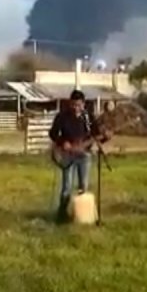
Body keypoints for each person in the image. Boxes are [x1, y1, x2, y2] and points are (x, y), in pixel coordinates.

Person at [48, 90, 108, 224]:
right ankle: (62, 215)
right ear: (70, 103)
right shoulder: (62, 116)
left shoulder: (88, 117)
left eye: (79, 105)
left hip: (84, 156)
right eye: (74, 105)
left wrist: (105, 137)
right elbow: (52, 133)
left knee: (83, 187)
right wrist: (62, 142)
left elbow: (97, 135)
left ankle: (81, 216)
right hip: (67, 155)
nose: (76, 108)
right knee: (67, 188)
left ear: (83, 104)